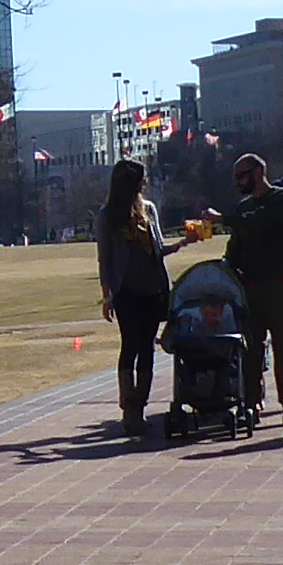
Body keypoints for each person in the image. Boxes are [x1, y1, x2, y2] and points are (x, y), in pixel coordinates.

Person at [225, 150, 283, 426]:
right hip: (251, 286)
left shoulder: (282, 198)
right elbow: (235, 246)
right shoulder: (243, 209)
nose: (238, 182)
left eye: (241, 176)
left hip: (281, 283)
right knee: (250, 350)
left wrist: (226, 219)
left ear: (258, 172)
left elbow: (267, 225)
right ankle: (251, 404)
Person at [95, 156, 171, 434]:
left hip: (153, 287)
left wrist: (185, 243)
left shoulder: (149, 210)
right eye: (141, 178)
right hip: (126, 289)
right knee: (130, 345)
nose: (145, 183)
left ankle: (140, 404)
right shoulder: (108, 215)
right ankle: (128, 405)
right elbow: (104, 258)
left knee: (148, 347)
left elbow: (159, 249)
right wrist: (107, 296)